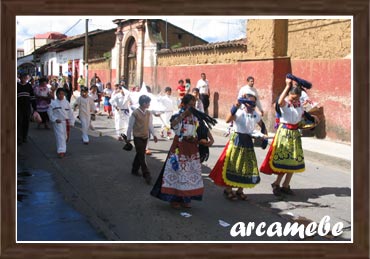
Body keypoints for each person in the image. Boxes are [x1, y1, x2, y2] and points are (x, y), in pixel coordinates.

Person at [151, 94, 216, 209]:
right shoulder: (177, 116)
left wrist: (210, 139)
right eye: (190, 105)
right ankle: (174, 199)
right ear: (184, 105)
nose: (192, 107)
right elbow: (173, 125)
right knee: (178, 173)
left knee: (189, 174)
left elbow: (204, 128)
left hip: (191, 148)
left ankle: (186, 199)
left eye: (194, 105)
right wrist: (183, 115)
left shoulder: (196, 117)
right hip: (179, 147)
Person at [260, 76, 319, 196]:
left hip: (294, 134)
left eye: (296, 98)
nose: (294, 100)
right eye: (292, 98)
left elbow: (302, 116)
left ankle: (286, 185)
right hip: (284, 133)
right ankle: (276, 183)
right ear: (289, 95)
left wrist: (313, 118)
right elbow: (279, 102)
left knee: (293, 161)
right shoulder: (285, 103)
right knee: (285, 160)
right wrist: (287, 86)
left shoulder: (299, 105)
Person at [209, 92, 267, 200]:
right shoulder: (239, 112)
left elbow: (261, 124)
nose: (252, 105)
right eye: (250, 103)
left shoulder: (255, 114)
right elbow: (227, 120)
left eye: (254, 103)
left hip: (248, 142)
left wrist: (264, 135)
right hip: (237, 140)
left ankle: (240, 190)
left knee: (245, 166)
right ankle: (228, 189)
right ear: (245, 103)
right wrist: (235, 106)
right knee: (234, 165)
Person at [126, 95, 158, 184]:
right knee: (142, 156)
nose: (149, 104)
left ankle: (134, 169)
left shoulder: (148, 113)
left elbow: (150, 125)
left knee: (140, 153)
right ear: (144, 103)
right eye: (148, 103)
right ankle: (146, 174)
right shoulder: (135, 113)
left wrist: (154, 135)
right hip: (137, 137)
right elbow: (130, 126)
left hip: (145, 136)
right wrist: (128, 138)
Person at [47, 88, 75, 158]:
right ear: (57, 94)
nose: (61, 95)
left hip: (65, 122)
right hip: (58, 122)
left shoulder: (66, 103)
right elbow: (49, 112)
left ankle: (62, 147)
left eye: (62, 94)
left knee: (65, 136)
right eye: (59, 94)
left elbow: (70, 113)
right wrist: (55, 119)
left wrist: (72, 122)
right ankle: (61, 151)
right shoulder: (53, 103)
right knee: (60, 136)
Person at [17, 73, 37, 145]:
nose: (24, 79)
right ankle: (19, 138)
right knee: (19, 122)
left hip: (27, 107)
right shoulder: (17, 86)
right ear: (20, 78)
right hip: (18, 107)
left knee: (26, 122)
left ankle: (24, 137)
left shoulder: (29, 86)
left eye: (25, 78)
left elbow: (32, 97)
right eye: (23, 78)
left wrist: (35, 108)